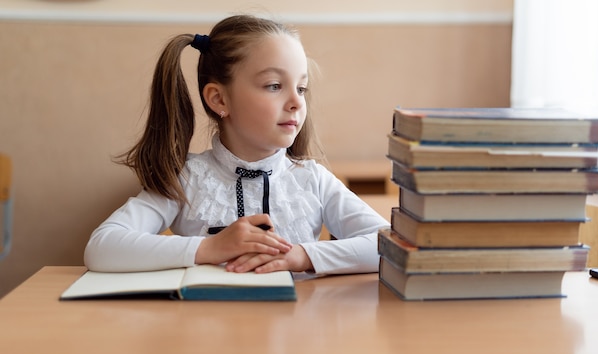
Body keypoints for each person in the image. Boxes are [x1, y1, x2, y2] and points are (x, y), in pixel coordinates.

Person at [84, 14, 390, 276]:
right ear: (219, 99)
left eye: (301, 87)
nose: (297, 102)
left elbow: (391, 245)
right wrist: (210, 247)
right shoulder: (187, 179)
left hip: (296, 337)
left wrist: (302, 256)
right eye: (274, 86)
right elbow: (102, 247)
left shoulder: (312, 180)